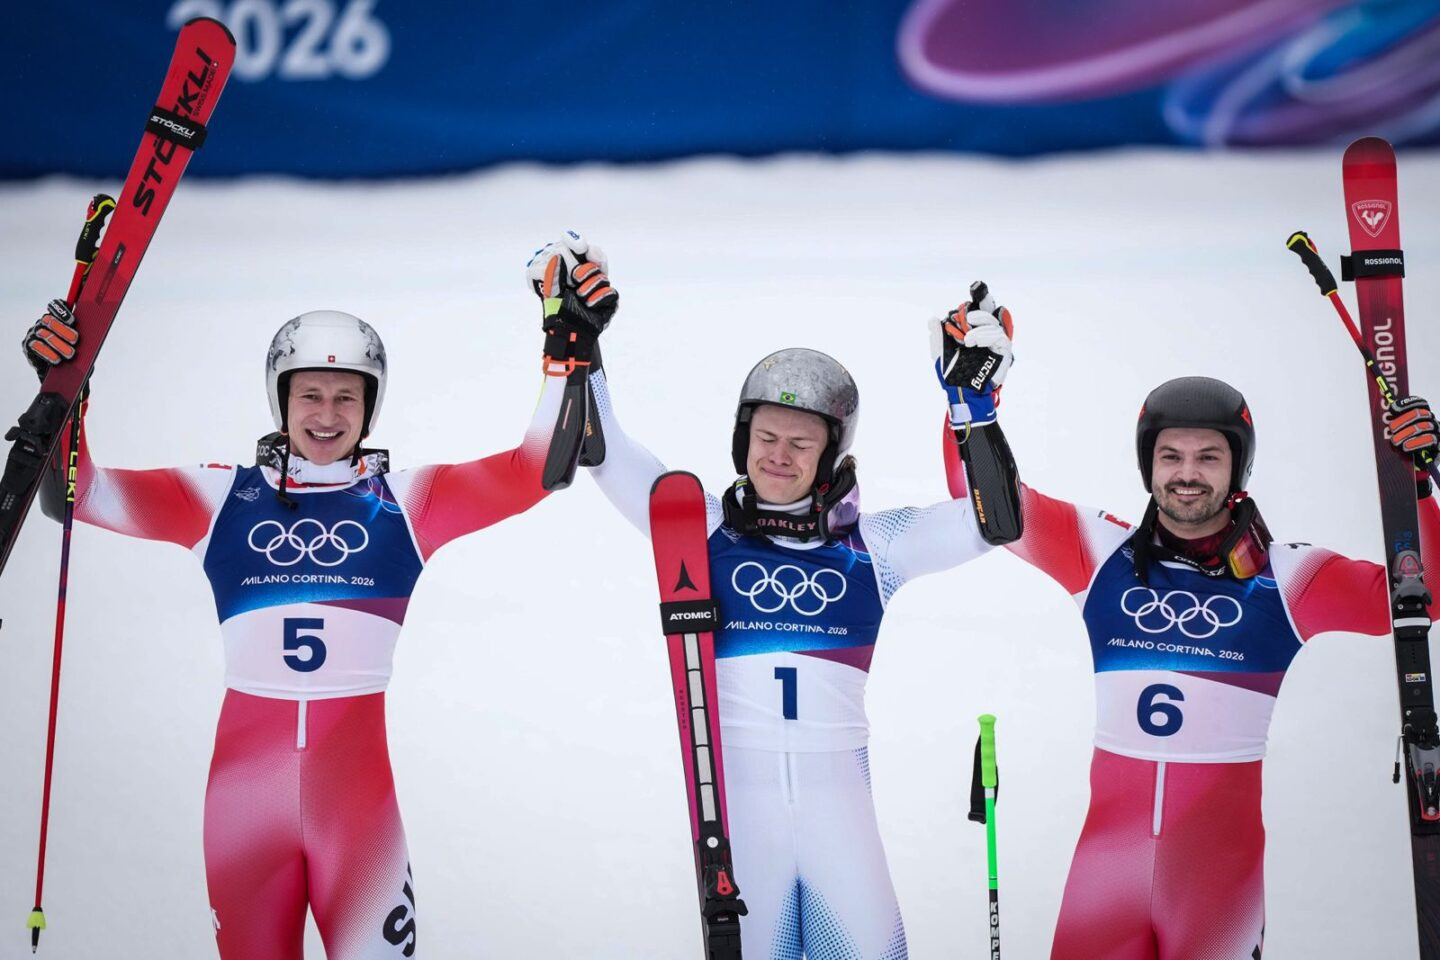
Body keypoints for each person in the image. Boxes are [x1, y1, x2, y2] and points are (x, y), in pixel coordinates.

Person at [19, 262, 616, 959]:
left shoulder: (405, 502)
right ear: (281, 400)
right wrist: (63, 394)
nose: (327, 416)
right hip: (246, 806)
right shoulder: (221, 498)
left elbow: (534, 471)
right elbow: (76, 493)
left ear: (370, 408)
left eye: (345, 398)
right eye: (309, 395)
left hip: (356, 810)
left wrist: (563, 357)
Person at [531, 232, 1020, 958]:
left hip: (840, 825)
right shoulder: (694, 528)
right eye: (765, 436)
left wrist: (972, 410)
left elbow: (993, 526)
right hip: (740, 826)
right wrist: (582, 350)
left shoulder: (876, 547)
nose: (778, 456)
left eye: (800, 443)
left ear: (831, 457)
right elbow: (602, 453)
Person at [935, 366, 1440, 959]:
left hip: (1215, 886)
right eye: (1170, 456)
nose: (1187, 474)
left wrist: (1422, 486)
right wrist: (971, 406)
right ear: (1150, 467)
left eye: (1208, 457)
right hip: (1105, 881)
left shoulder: (1286, 577)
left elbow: (1421, 597)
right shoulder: (1101, 553)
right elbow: (990, 506)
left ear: (1237, 470)